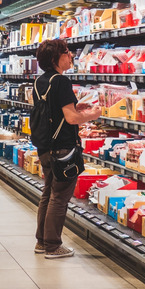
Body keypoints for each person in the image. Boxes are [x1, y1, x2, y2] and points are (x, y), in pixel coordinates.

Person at [32, 39, 101, 259]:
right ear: (56, 58)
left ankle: (42, 242)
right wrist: (92, 115)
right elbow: (71, 119)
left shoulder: (40, 81)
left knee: (48, 194)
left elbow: (56, 110)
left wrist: (75, 106)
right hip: (62, 148)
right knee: (59, 198)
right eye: (66, 52)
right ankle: (53, 246)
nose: (70, 55)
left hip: (45, 146)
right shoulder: (61, 81)